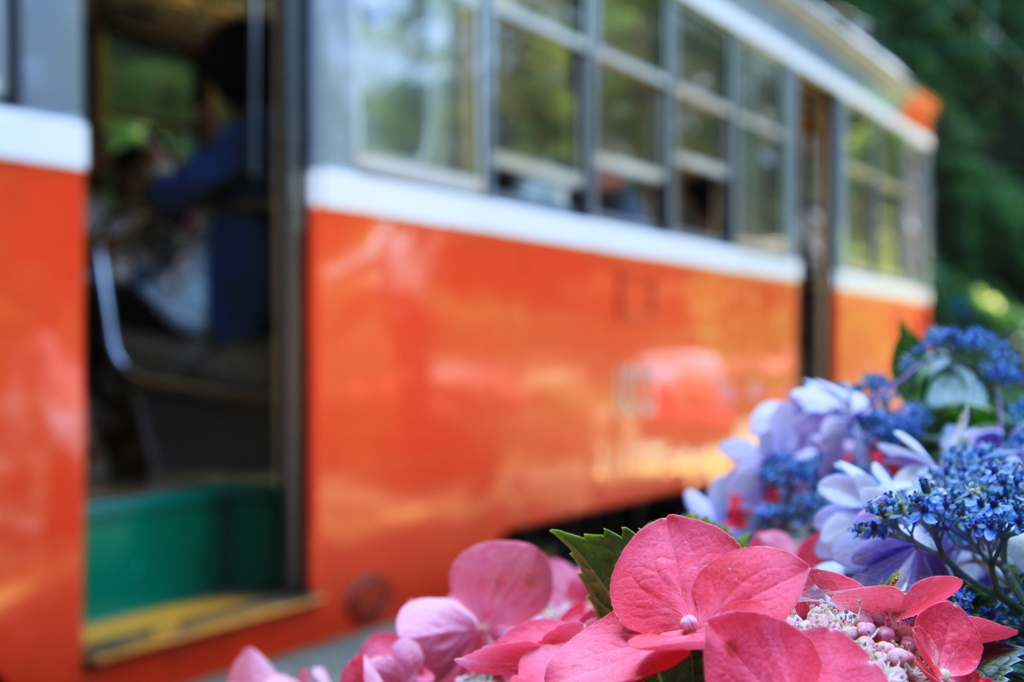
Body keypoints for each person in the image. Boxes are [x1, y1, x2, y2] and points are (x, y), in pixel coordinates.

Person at [148, 21, 269, 343]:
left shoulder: (249, 131)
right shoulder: (272, 127)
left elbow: (172, 194)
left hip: (224, 300)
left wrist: (156, 176)